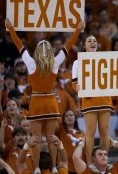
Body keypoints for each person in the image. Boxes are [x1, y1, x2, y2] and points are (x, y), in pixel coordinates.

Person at [5, 18, 85, 174]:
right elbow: (67, 46)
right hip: (50, 102)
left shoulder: (31, 63)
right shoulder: (55, 62)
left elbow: (19, 45)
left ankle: (36, 168)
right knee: (51, 137)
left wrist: (11, 29)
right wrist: (78, 30)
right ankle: (54, 167)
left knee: (35, 138)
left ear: (37, 51)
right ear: (50, 51)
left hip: (36, 103)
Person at [72, 34, 114, 171]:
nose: (92, 42)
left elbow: (115, 77)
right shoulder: (78, 62)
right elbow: (74, 83)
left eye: (95, 41)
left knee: (105, 132)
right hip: (89, 100)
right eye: (89, 41)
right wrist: (77, 86)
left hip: (104, 99)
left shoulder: (105, 59)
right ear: (84, 45)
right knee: (90, 132)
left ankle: (103, 163)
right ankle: (90, 163)